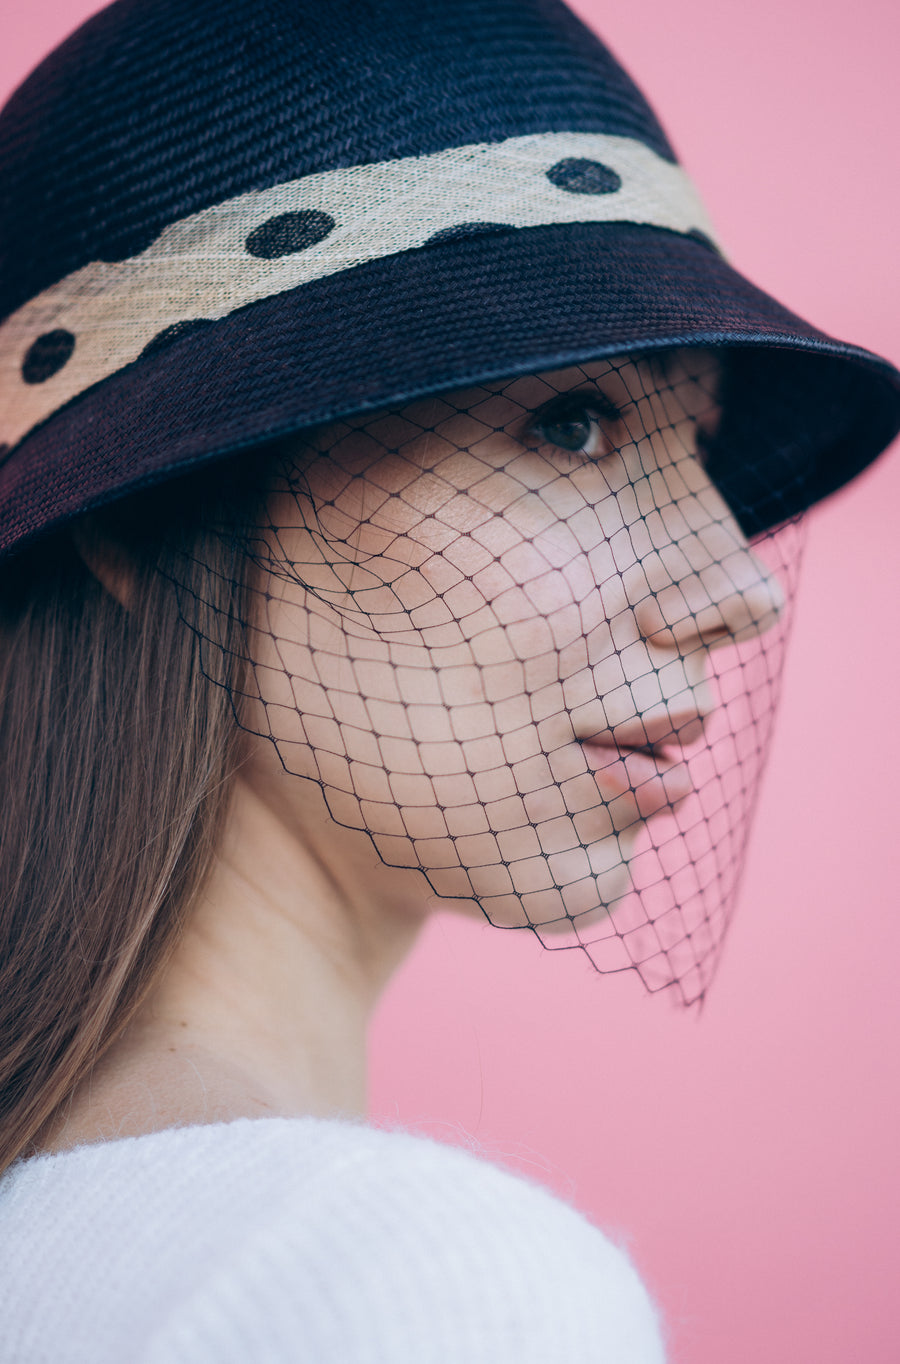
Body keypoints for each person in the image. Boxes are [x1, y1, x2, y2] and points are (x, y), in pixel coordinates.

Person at [0, 1, 896, 1360]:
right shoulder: (419, 1284)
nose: (737, 590)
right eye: (575, 424)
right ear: (140, 519)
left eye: (699, 445)